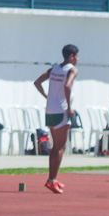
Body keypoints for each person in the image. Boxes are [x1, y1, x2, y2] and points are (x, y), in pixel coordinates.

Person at [34, 44, 79, 194]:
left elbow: (37, 82)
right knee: (60, 147)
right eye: (77, 56)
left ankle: (52, 178)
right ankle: (51, 179)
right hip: (61, 110)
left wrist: (48, 96)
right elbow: (67, 86)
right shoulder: (72, 70)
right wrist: (69, 107)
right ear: (71, 56)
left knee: (55, 146)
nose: (78, 59)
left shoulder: (54, 68)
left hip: (50, 110)